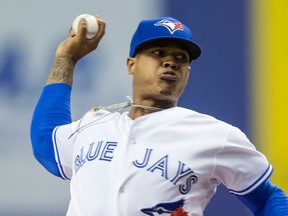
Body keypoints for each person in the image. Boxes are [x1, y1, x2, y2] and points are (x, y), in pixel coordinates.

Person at [30, 15, 288, 216]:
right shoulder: (94, 125)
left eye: (181, 57)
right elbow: (45, 142)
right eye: (158, 53)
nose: (171, 62)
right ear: (131, 64)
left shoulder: (214, 135)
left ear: (187, 72)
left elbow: (266, 197)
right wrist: (66, 58)